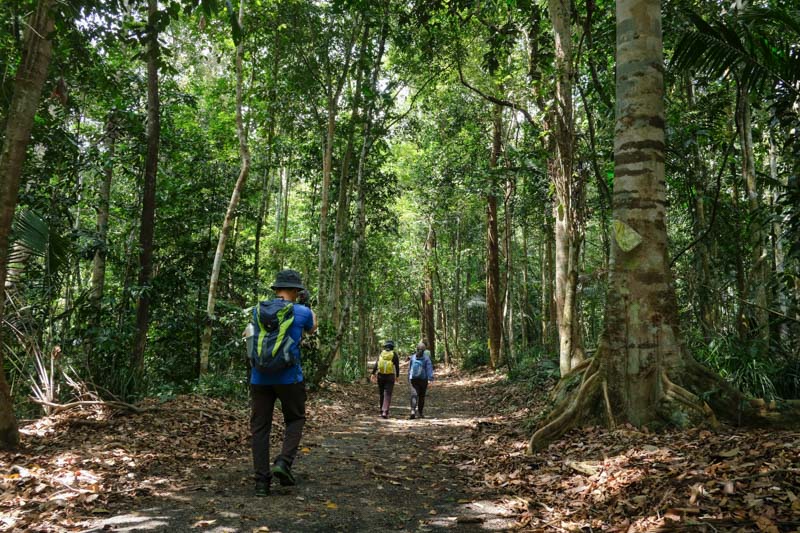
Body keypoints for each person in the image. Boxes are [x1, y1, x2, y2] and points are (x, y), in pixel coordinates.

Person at [249, 269, 317, 497]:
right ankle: (283, 462)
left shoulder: (258, 310)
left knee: (260, 428)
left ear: (276, 289)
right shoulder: (302, 311)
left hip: (259, 378)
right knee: (296, 419)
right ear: (297, 291)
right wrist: (308, 306)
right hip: (290, 378)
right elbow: (312, 328)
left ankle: (261, 483)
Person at [371, 340, 400, 419]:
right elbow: (397, 366)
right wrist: (397, 376)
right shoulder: (394, 354)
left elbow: (376, 364)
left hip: (380, 376)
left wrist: (373, 374)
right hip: (390, 376)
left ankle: (381, 410)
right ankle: (385, 411)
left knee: (381, 393)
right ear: (392, 347)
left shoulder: (381, 353)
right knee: (388, 394)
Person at [408, 341, 434, 419]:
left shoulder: (413, 357)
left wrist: (409, 377)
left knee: (414, 395)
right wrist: (430, 378)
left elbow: (410, 368)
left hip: (413, 379)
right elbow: (429, 368)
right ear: (424, 350)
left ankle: (412, 410)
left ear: (416, 349)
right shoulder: (426, 358)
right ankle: (420, 413)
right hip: (423, 380)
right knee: (422, 396)